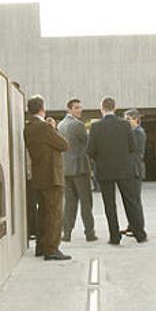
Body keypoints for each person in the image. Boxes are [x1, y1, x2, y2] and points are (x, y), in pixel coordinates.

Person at [88, 97, 146, 245]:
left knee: (109, 204)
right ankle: (140, 234)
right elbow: (132, 147)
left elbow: (90, 151)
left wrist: (101, 159)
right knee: (130, 201)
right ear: (115, 108)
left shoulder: (95, 127)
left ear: (102, 109)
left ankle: (114, 236)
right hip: (124, 169)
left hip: (104, 170)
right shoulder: (125, 125)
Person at [23, 95, 71, 261]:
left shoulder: (28, 127)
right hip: (52, 176)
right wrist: (53, 127)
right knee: (54, 214)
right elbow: (64, 145)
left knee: (42, 212)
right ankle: (52, 249)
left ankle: (41, 247)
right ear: (42, 109)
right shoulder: (44, 127)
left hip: (39, 176)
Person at [57, 98, 97, 243]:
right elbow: (87, 144)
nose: (79, 110)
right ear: (69, 109)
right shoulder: (78, 125)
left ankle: (66, 233)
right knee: (86, 202)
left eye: (80, 107)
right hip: (80, 168)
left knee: (69, 203)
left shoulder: (60, 125)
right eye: (76, 108)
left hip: (66, 169)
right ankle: (89, 233)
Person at [121, 109, 147, 237]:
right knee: (132, 200)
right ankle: (132, 225)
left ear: (136, 119)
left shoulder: (137, 133)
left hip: (134, 170)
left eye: (128, 119)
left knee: (134, 201)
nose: (126, 122)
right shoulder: (133, 132)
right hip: (132, 169)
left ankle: (138, 227)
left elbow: (133, 151)